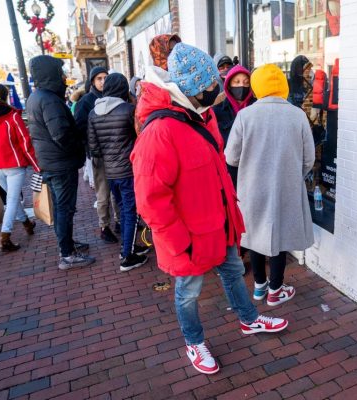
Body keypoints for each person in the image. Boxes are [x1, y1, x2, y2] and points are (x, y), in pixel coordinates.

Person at [131, 43, 288, 375]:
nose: (217, 88)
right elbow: (150, 200)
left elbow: (215, 169)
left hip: (219, 226)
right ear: (190, 89)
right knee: (188, 293)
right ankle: (194, 341)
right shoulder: (160, 132)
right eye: (209, 85)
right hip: (188, 236)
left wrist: (232, 214)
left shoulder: (202, 116)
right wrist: (179, 243)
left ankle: (249, 319)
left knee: (232, 273)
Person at [225, 64, 315, 306]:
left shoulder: (245, 115)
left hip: (252, 188)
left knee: (254, 236)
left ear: (257, 87)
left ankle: (259, 287)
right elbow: (309, 159)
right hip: (286, 188)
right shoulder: (298, 115)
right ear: (283, 86)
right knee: (280, 239)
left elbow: (231, 157)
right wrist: (294, 174)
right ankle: (276, 290)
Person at [26, 55, 95, 270]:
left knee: (60, 208)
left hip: (53, 161)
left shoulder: (37, 97)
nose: (64, 77)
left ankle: (67, 245)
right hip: (60, 163)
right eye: (60, 73)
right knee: (65, 209)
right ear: (51, 74)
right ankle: (67, 254)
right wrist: (77, 148)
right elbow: (61, 134)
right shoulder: (48, 99)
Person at [87, 73, 150, 272]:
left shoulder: (93, 113)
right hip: (129, 170)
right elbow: (140, 139)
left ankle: (128, 247)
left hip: (110, 172)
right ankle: (127, 256)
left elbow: (94, 148)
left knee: (123, 211)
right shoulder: (128, 110)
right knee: (130, 212)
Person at [0, 83, 39, 251]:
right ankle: (5, 237)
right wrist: (36, 165)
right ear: (6, 96)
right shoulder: (12, 115)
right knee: (12, 200)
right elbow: (25, 142)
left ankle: (27, 223)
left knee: (12, 200)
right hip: (13, 164)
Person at [75, 66, 121, 244]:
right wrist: (92, 145)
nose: (103, 81)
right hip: (99, 154)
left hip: (117, 152)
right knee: (103, 193)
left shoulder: (116, 98)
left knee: (117, 191)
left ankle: (119, 221)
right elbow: (79, 127)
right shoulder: (86, 101)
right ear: (92, 81)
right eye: (99, 78)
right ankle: (104, 226)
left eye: (105, 78)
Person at [212, 65, 255, 187]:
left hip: (253, 173)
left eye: (246, 82)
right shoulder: (217, 112)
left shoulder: (257, 109)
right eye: (236, 82)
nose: (241, 86)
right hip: (228, 174)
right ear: (229, 85)